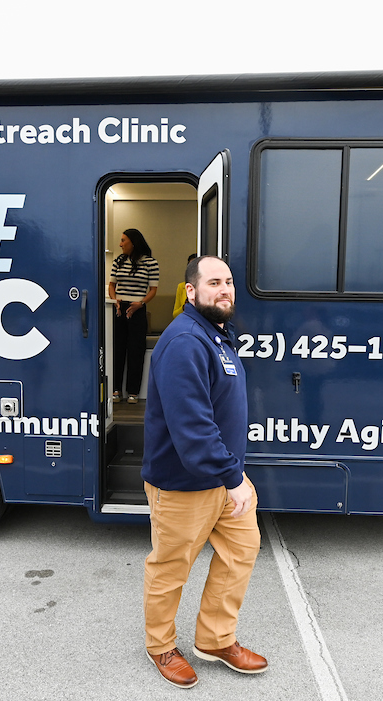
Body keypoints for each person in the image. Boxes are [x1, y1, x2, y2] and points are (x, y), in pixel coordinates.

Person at [142, 255, 266, 689]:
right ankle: (160, 646)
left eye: (228, 281)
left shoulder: (215, 336)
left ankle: (215, 639)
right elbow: (192, 427)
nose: (225, 289)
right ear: (191, 291)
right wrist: (232, 478)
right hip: (184, 484)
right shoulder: (185, 342)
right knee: (171, 567)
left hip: (223, 477)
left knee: (241, 551)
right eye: (214, 282)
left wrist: (231, 476)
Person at [108, 228, 159, 403]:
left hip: (138, 308)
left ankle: (133, 392)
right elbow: (112, 285)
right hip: (119, 308)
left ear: (133, 242)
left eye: (123, 240)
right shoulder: (118, 261)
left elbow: (153, 290)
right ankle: (115, 390)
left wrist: (141, 303)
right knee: (117, 349)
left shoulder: (150, 263)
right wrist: (115, 300)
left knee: (136, 351)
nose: (120, 244)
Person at [173, 253, 197, 319]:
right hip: (186, 320)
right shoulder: (182, 286)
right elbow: (175, 315)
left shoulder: (205, 286)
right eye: (190, 266)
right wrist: (184, 307)